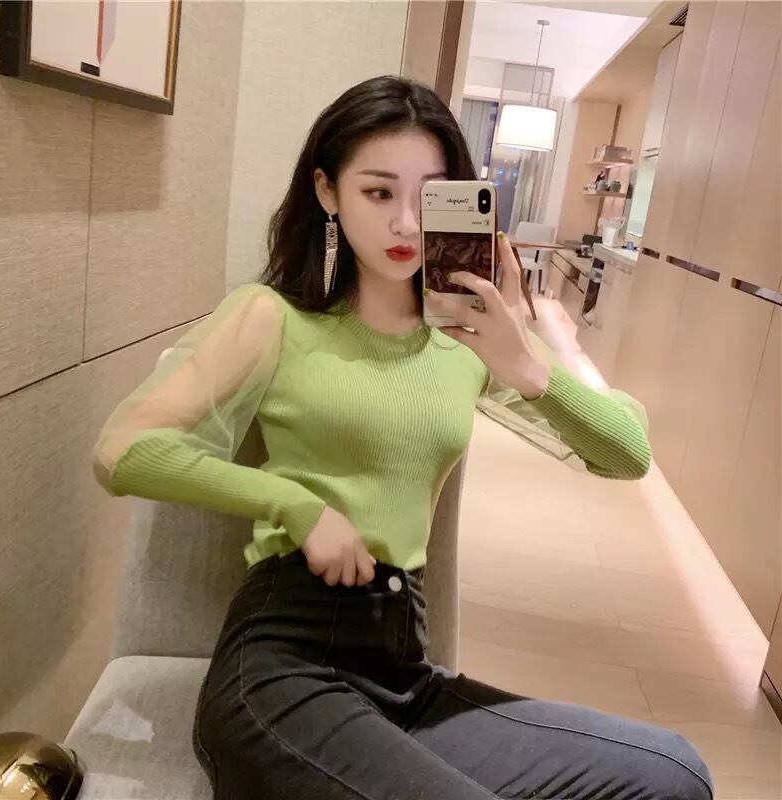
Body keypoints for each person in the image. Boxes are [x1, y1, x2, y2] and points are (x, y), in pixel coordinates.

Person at [91, 76, 713, 800]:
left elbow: (627, 455)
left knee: (672, 772)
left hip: (403, 673)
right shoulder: (271, 318)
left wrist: (531, 361)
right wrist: (295, 506)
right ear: (328, 192)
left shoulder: (469, 342)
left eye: (432, 197)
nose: (408, 223)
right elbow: (122, 450)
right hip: (283, 665)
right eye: (379, 192)